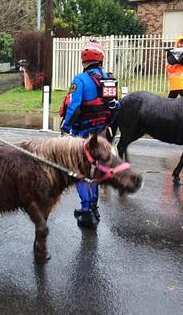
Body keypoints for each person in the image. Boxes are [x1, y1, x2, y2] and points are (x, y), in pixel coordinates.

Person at [60, 40, 119, 229]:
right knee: (95, 170)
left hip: (82, 134)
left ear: (83, 59)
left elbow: (74, 106)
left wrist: (66, 127)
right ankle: (94, 207)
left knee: (79, 172)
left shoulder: (80, 80)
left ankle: (86, 210)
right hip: (101, 134)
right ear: (101, 58)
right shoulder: (109, 79)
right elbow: (115, 106)